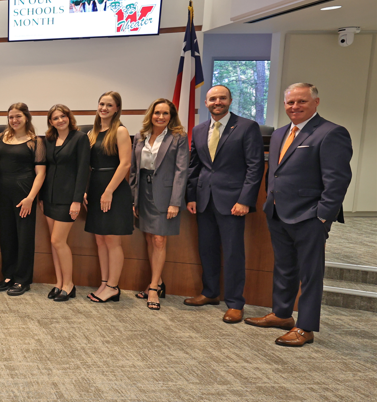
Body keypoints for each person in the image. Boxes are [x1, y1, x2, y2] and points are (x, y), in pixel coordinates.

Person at [245, 83, 353, 346]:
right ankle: (282, 314)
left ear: (316, 102)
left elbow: (337, 180)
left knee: (310, 274)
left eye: (301, 101)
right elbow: (276, 172)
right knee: (284, 267)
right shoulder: (280, 133)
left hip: (310, 217)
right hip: (278, 212)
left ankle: (305, 327)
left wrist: (323, 216)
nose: (295, 106)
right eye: (290, 102)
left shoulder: (331, 132)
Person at [185, 85, 264, 323]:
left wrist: (245, 200)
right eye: (212, 99)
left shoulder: (247, 127)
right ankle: (210, 293)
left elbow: (255, 167)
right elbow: (194, 166)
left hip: (233, 202)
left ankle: (235, 303)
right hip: (204, 200)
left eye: (222, 98)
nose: (217, 102)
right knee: (207, 248)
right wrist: (191, 196)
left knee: (233, 253)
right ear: (206, 103)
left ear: (230, 100)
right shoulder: (199, 129)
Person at [130, 98, 190, 311]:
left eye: (165, 113)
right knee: (148, 237)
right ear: (151, 114)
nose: (161, 117)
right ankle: (158, 281)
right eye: (157, 113)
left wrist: (175, 202)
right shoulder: (140, 136)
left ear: (171, 116)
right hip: (143, 193)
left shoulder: (178, 138)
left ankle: (153, 288)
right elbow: (134, 169)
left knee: (159, 240)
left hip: (165, 195)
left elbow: (182, 171)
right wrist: (133, 198)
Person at [0, 103, 46, 296]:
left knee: (24, 237)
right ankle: (8, 275)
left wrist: (31, 198)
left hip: (24, 193)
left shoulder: (36, 142)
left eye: (18, 116)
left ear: (26, 118)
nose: (14, 120)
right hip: (2, 192)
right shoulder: (1, 138)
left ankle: (23, 279)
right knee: (6, 235)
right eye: (11, 117)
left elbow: (41, 173)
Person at [85, 91, 133, 303]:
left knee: (112, 240)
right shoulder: (92, 133)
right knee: (100, 239)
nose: (104, 108)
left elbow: (125, 164)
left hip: (114, 190)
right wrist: (86, 189)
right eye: (101, 104)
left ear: (117, 109)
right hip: (96, 187)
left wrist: (109, 191)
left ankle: (113, 286)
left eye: (109, 105)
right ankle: (104, 283)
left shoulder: (120, 131)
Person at [40, 104, 90, 302]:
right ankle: (59, 282)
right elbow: (46, 169)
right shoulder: (49, 140)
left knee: (58, 241)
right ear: (50, 122)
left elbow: (83, 170)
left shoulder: (80, 138)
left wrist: (76, 200)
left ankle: (69, 284)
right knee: (53, 243)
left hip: (68, 199)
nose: (60, 120)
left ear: (69, 117)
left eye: (63, 116)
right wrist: (42, 197)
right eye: (55, 118)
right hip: (50, 197)